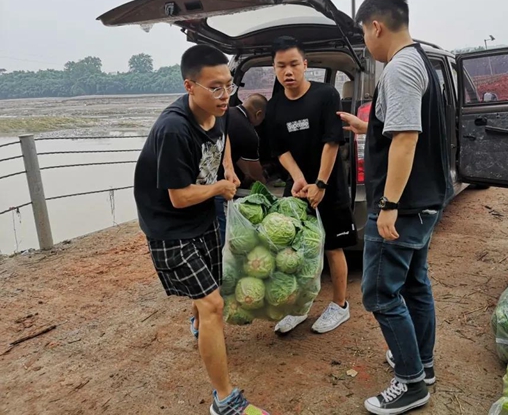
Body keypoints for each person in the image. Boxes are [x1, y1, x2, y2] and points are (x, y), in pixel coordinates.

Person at [133, 44, 269, 415]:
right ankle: (225, 401)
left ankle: (198, 325)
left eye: (229, 85)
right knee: (213, 304)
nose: (225, 95)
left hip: (202, 216)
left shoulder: (219, 109)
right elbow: (178, 197)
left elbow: (221, 139)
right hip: (170, 226)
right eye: (215, 87)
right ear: (190, 86)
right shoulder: (174, 129)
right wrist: (220, 188)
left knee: (208, 292)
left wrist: (226, 166)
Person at [339, 0, 453, 415]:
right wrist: (364, 125)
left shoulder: (401, 69)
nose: (366, 44)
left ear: (376, 27)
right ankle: (421, 363)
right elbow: (400, 127)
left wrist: (387, 205)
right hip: (425, 199)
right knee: (414, 283)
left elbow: (406, 140)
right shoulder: (419, 59)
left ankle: (410, 384)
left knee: (380, 292)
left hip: (404, 206)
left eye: (363, 34)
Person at [265, 35, 357, 335]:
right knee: (298, 252)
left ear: (305, 65)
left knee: (332, 247)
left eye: (293, 64)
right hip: (298, 189)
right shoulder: (275, 106)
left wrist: (320, 183)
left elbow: (332, 142)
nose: (288, 71)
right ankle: (299, 307)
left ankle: (340, 306)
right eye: (281, 66)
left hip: (328, 185)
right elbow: (279, 149)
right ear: (274, 69)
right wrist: (298, 178)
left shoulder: (325, 95)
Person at [214, 93, 268, 245]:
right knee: (224, 231)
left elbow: (237, 157)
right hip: (220, 186)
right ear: (258, 114)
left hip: (205, 179)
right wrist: (264, 183)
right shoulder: (249, 133)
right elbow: (255, 173)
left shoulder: (226, 113)